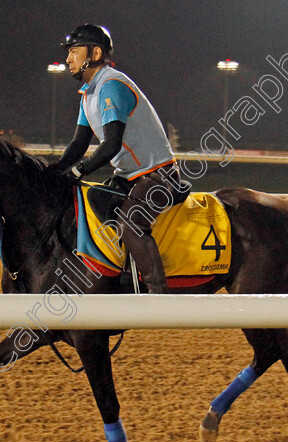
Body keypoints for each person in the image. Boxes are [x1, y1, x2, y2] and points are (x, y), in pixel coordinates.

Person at [51, 23, 186, 294]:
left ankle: (158, 293)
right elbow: (79, 144)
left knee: (129, 223)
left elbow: (111, 145)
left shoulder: (111, 86)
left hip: (158, 175)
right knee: (89, 207)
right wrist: (53, 171)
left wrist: (78, 171)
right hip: (129, 177)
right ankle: (120, 275)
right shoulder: (88, 94)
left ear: (96, 53)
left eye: (74, 52)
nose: (68, 59)